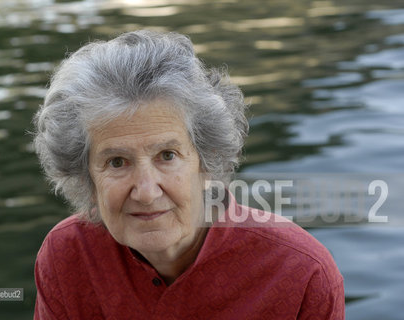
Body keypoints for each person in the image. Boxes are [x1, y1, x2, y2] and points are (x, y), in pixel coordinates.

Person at [32, 30, 344, 319]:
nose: (146, 191)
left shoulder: (301, 272)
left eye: (167, 156)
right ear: (85, 177)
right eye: (116, 162)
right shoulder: (68, 257)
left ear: (206, 163)